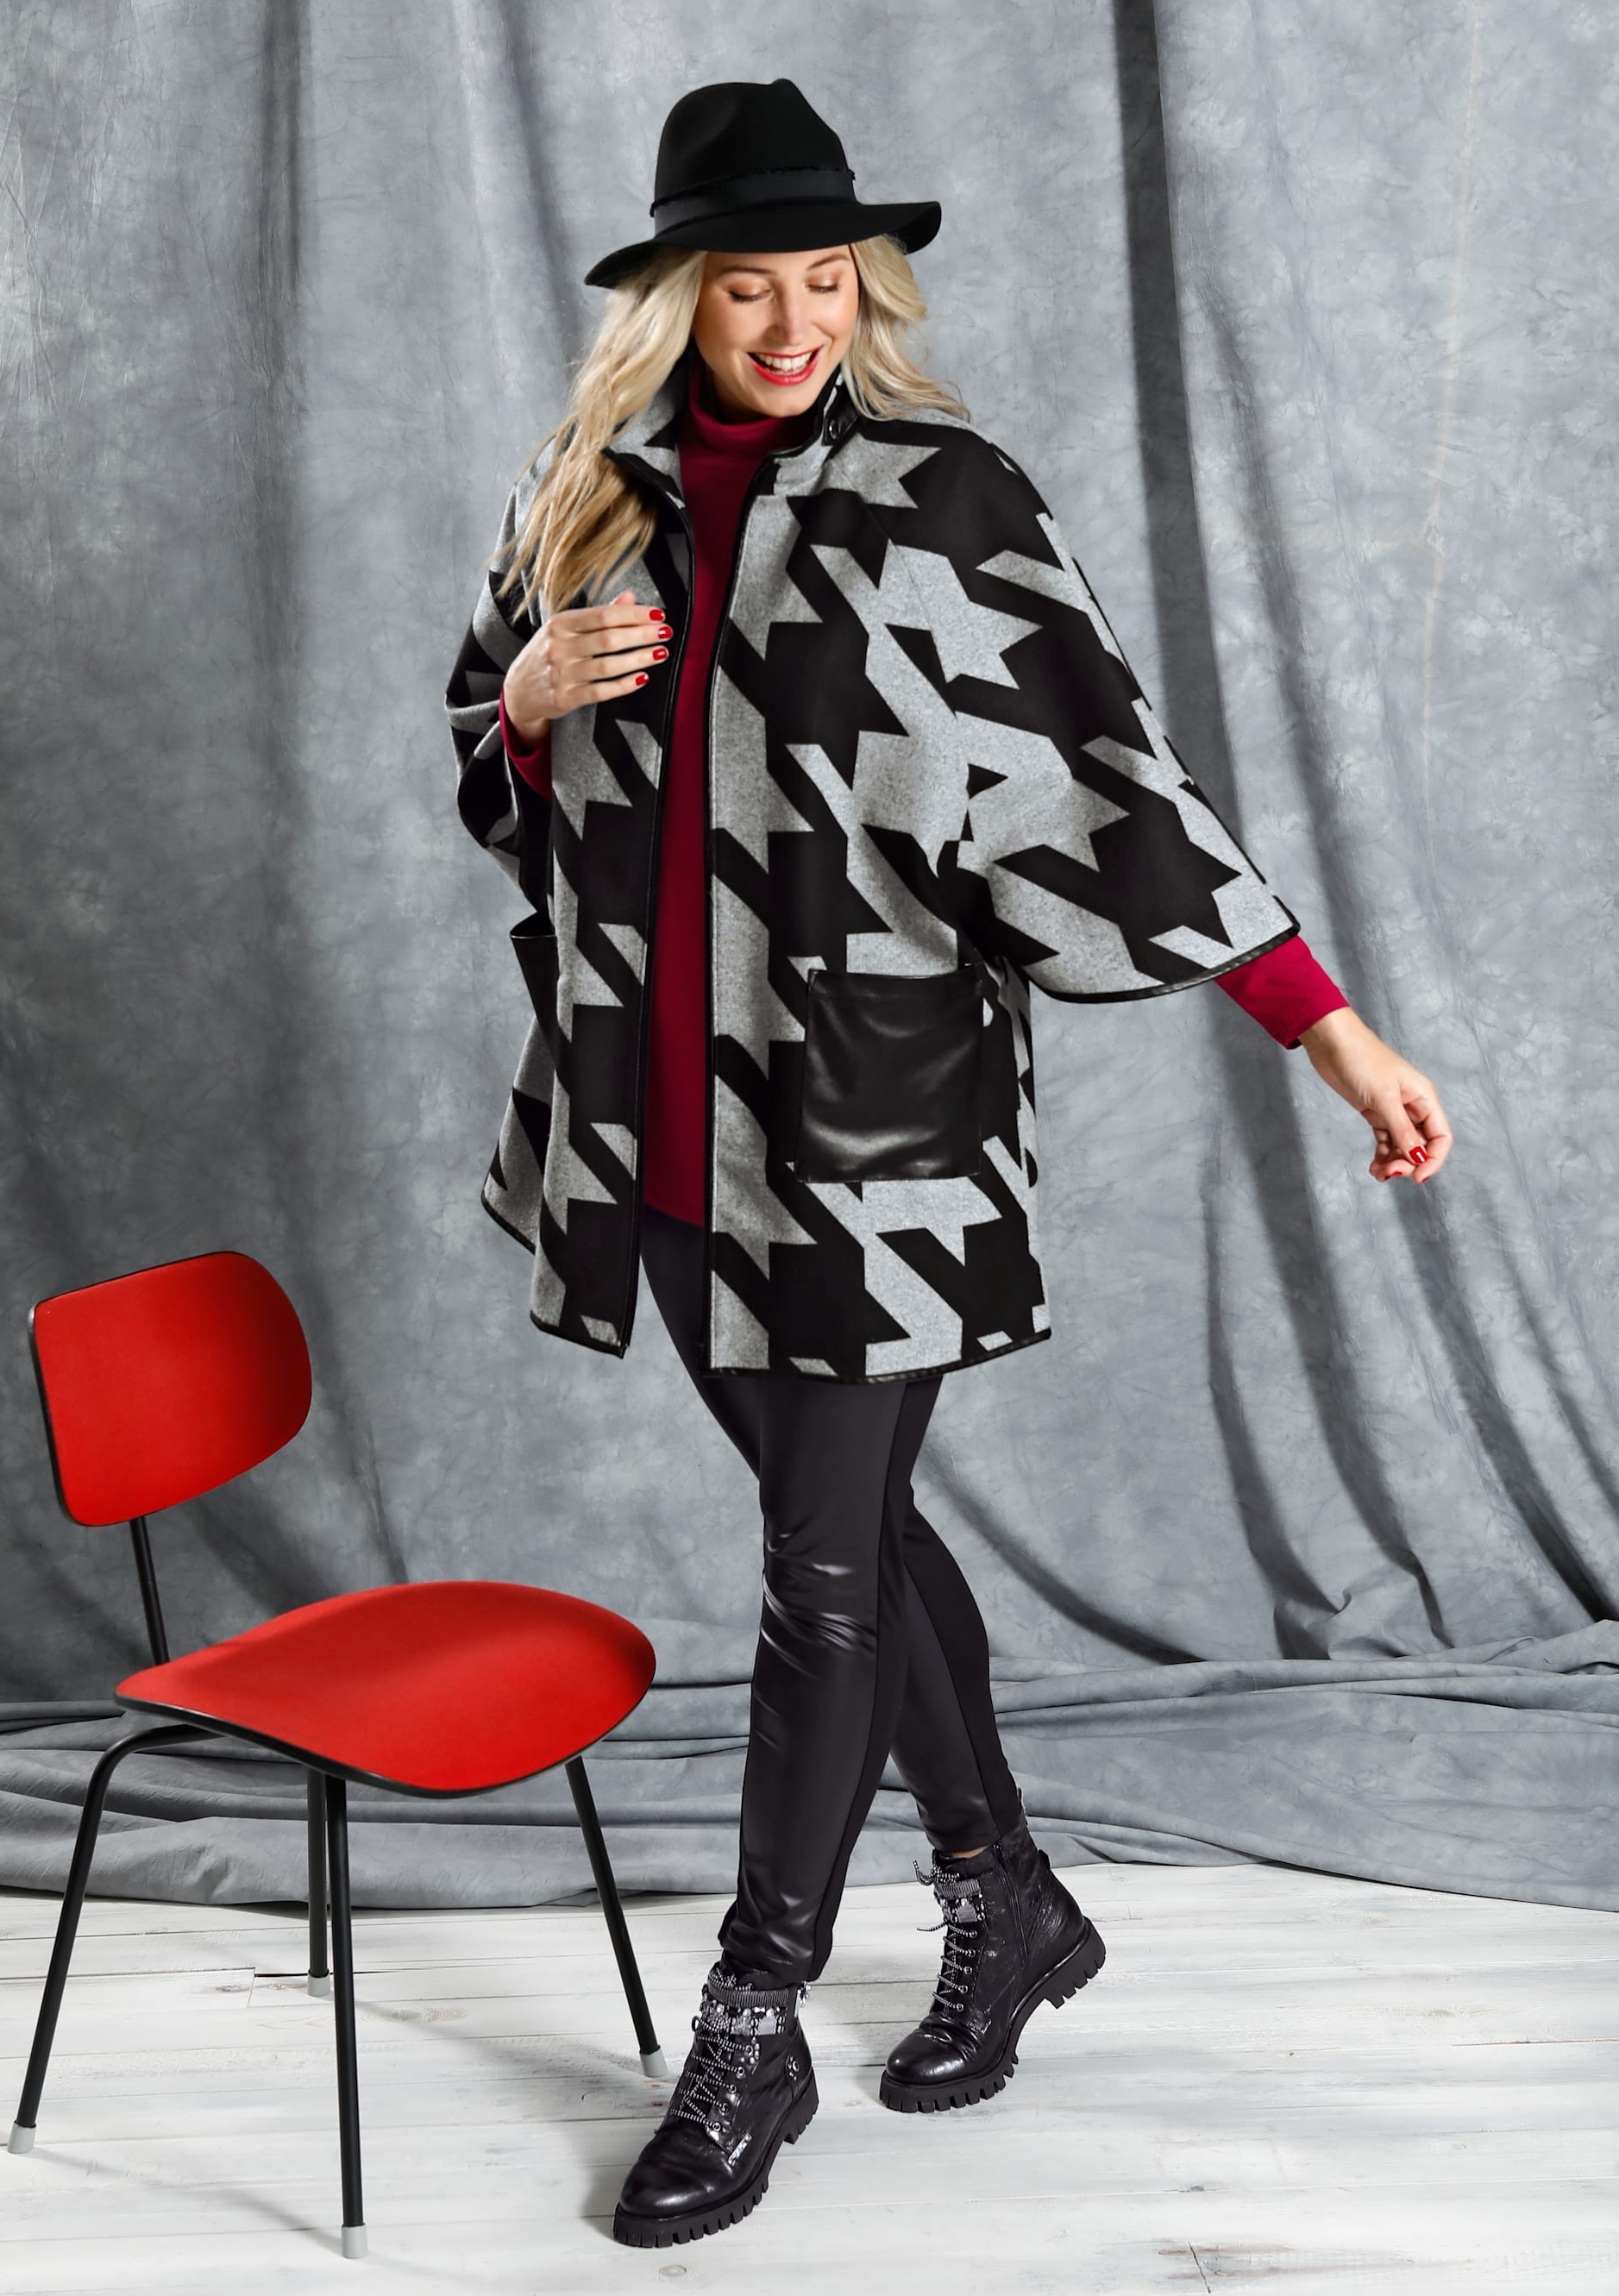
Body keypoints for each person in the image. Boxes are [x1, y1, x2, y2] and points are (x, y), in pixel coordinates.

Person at [444, 78, 1453, 2249]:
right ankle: (1006, 1896)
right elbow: (489, 763)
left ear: (863, 289)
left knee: (816, 1571)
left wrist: (1332, 1031)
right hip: (652, 1128)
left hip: (874, 1135)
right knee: (860, 1537)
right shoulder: (577, 497)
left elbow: (1118, 788)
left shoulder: (940, 499)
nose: (794, 322)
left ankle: (752, 2019)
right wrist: (523, 698)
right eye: (750, 287)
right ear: (676, 299)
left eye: (826, 281)